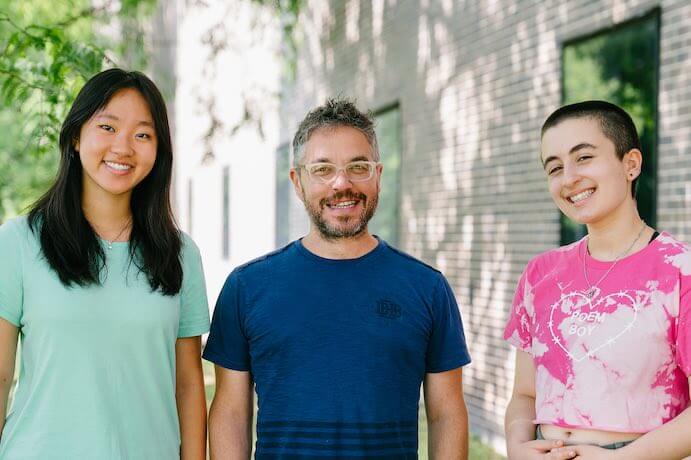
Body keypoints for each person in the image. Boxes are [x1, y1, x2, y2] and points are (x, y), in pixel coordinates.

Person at [204, 98, 471, 459]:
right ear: (297, 182)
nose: (341, 183)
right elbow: (231, 414)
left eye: (358, 167)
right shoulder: (247, 288)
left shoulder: (427, 288)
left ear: (378, 175)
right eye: (323, 169)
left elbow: (447, 414)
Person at [0, 68, 210, 459]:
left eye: (143, 134)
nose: (124, 147)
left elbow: (188, 384)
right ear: (77, 136)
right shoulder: (18, 242)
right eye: (108, 127)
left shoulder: (179, 254)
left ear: (159, 151)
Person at [504, 100, 691, 459]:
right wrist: (517, 445)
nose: (569, 178)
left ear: (631, 164)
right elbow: (525, 395)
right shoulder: (540, 273)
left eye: (584, 157)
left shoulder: (679, 270)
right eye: (554, 167)